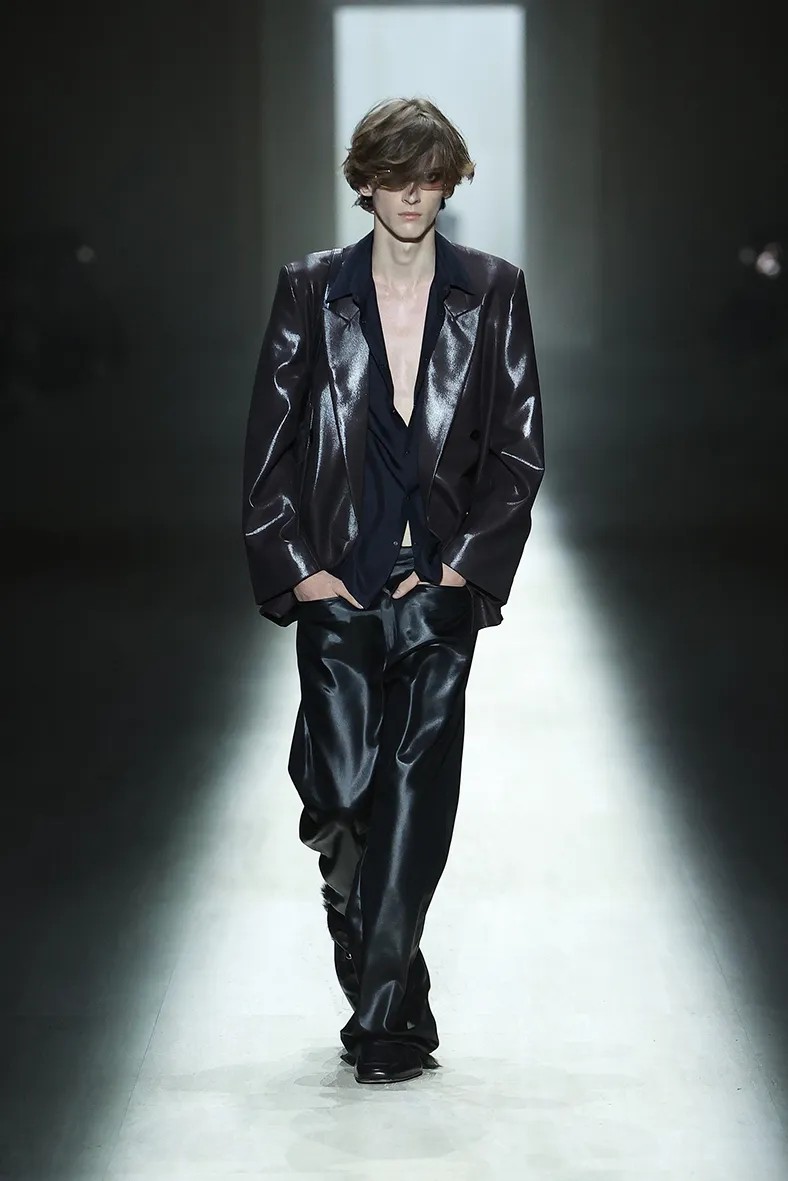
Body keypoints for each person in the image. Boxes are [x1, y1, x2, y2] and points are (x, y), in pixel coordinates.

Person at [242, 97, 545, 1084]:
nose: (411, 194)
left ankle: (382, 1022)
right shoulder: (310, 290)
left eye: (429, 177)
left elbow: (517, 450)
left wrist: (463, 566)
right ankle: (395, 978)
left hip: (436, 588)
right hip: (338, 585)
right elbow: (271, 446)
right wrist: (301, 569)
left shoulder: (491, 291)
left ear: (447, 184)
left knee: (414, 798)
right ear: (364, 182)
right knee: (337, 795)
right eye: (393, 176)